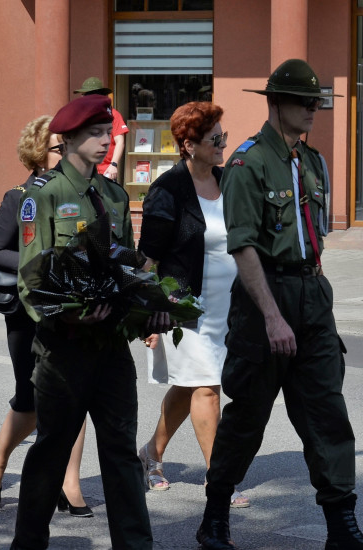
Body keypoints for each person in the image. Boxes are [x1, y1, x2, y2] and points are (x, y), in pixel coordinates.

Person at [196, 59, 363, 550]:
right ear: (277, 104)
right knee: (247, 418)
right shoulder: (248, 163)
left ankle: (341, 524)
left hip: (311, 297)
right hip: (263, 298)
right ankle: (216, 514)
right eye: (303, 102)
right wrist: (272, 316)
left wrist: (317, 297)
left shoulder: (310, 161)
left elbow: (314, 239)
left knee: (327, 415)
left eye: (315, 102)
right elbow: (244, 247)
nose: (313, 110)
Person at [12, 95, 171, 550]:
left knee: (120, 452)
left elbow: (128, 266)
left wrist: (149, 307)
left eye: (109, 133)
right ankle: (27, 544)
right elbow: (30, 281)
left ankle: (136, 544)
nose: (107, 142)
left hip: (112, 348)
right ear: (69, 140)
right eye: (97, 134)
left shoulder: (114, 196)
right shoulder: (42, 196)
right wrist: (73, 314)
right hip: (64, 350)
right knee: (50, 453)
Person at [0, 115, 92, 517]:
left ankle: (70, 481)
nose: (66, 154)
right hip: (28, 312)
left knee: (75, 393)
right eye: (59, 148)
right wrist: (45, 261)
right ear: (39, 153)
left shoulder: (85, 195)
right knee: (30, 399)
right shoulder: (19, 196)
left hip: (73, 311)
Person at [137, 102, 247, 507]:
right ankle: (217, 480)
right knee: (207, 388)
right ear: (188, 144)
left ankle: (150, 453)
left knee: (187, 389)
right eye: (215, 139)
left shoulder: (228, 181)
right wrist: (147, 314)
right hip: (183, 307)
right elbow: (147, 258)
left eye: (224, 137)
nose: (222, 145)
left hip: (228, 308)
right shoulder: (167, 190)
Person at [73, 77, 128, 181]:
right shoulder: (80, 115)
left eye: (85, 95)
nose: (83, 98)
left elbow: (120, 141)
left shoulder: (113, 114)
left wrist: (113, 164)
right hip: (83, 169)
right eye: (83, 95)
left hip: (105, 170)